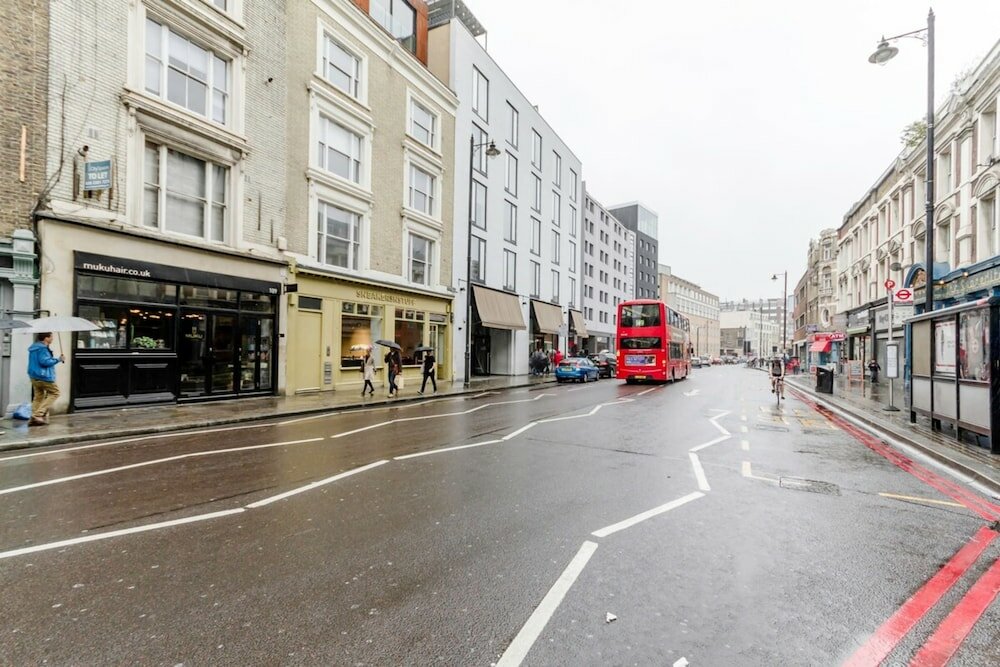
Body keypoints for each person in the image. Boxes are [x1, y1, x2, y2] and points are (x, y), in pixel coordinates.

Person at [28, 332, 65, 426]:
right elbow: (45, 362)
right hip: (44, 376)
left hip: (34, 376)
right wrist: (58, 359)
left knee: (38, 396)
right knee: (55, 393)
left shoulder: (34, 347)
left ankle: (34, 417)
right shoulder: (43, 348)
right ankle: (38, 414)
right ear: (46, 338)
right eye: (51, 337)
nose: (52, 339)